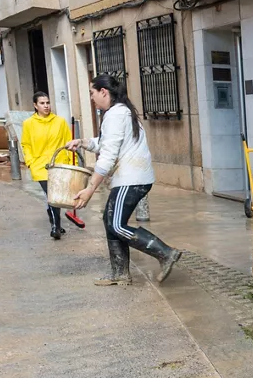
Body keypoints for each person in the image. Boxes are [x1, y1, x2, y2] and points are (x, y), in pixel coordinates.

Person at [65, 74, 181, 286]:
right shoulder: (119, 112)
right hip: (132, 178)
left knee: (117, 225)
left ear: (103, 92)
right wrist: (82, 142)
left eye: (92, 93)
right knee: (110, 222)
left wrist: (90, 188)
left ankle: (165, 253)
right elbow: (105, 142)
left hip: (131, 178)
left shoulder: (117, 114)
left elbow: (108, 155)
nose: (91, 98)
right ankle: (119, 273)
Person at [20, 92, 77, 240]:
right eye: (42, 103)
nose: (46, 106)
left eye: (47, 103)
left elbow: (69, 144)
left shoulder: (60, 122)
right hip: (40, 166)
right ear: (35, 105)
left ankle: (55, 222)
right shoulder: (29, 124)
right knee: (51, 194)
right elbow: (25, 144)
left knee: (55, 195)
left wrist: (73, 164)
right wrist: (30, 162)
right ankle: (55, 227)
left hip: (59, 165)